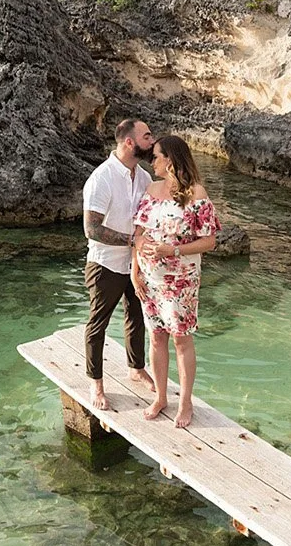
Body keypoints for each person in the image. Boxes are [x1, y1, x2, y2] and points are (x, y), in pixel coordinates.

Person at [131, 134, 221, 429]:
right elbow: (140, 233)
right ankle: (160, 397)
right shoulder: (152, 189)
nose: (152, 161)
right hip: (150, 279)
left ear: (170, 159)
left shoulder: (196, 194)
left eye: (156, 156)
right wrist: (135, 270)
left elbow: (209, 241)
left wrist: (174, 250)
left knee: (181, 340)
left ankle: (185, 402)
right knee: (156, 337)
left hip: (180, 282)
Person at [82, 118, 158, 410]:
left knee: (136, 315)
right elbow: (92, 229)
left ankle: (136, 368)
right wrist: (132, 241)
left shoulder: (144, 178)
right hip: (105, 264)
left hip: (136, 264)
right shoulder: (101, 178)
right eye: (147, 136)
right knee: (97, 324)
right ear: (130, 142)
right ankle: (96, 384)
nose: (152, 141)